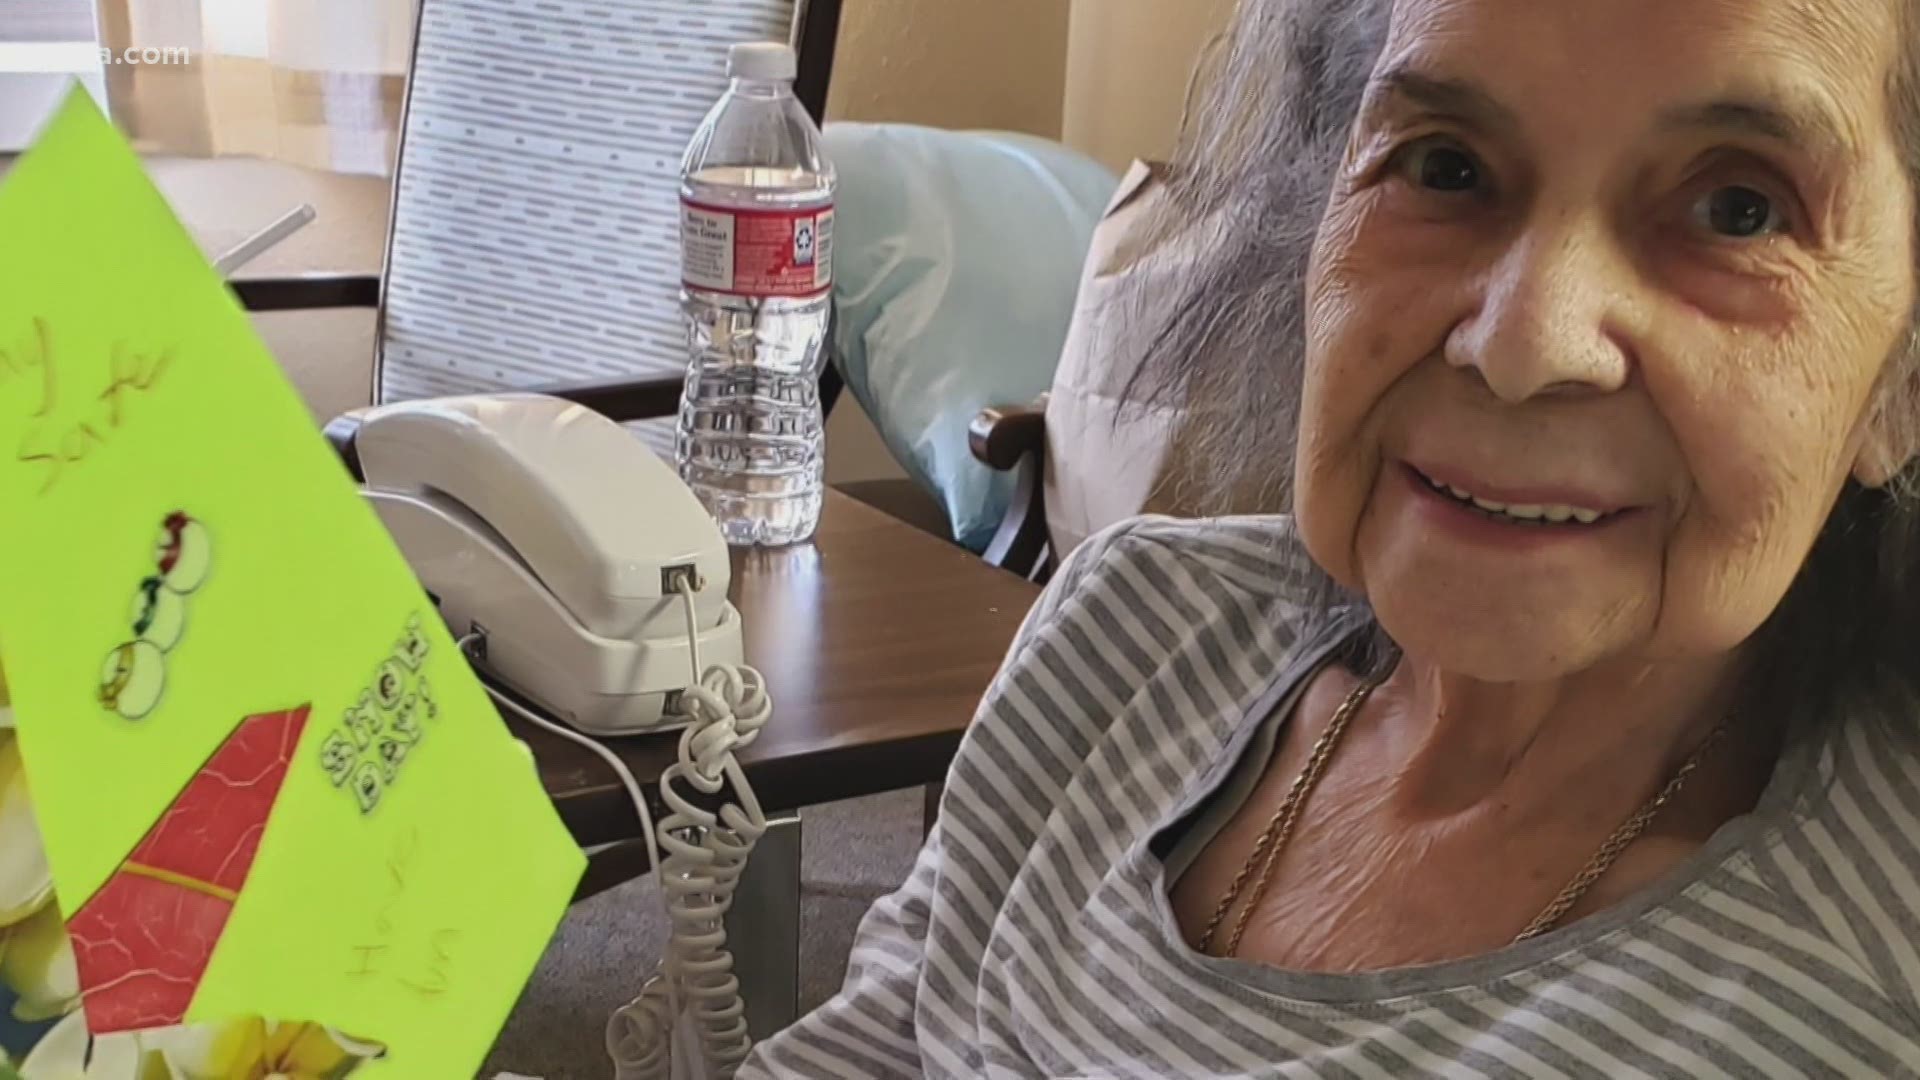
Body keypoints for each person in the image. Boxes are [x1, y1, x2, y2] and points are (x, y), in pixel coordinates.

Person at [743, 0, 1920, 1074]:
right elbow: (878, 1039)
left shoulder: (1858, 994)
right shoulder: (1129, 624)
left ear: (1898, 384)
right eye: (1446, 166)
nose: (1523, 345)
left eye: (1739, 208)